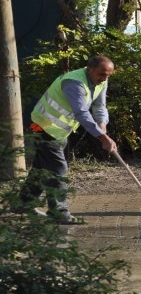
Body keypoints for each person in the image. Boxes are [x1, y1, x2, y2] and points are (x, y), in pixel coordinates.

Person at [13, 56, 118, 224]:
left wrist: (102, 126)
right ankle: (59, 211)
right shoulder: (73, 82)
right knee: (58, 168)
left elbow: (100, 106)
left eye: (108, 76)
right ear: (89, 68)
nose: (104, 79)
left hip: (60, 131)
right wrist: (102, 137)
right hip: (42, 125)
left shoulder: (100, 82)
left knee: (42, 167)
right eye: (101, 74)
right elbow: (81, 113)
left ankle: (23, 203)